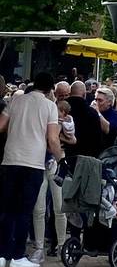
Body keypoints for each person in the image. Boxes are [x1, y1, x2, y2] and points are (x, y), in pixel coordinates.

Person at [0, 72, 63, 267]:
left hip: (10, 160)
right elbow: (52, 139)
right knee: (24, 211)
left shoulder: (16, 101)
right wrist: (61, 159)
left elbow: (1, 125)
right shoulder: (50, 106)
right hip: (33, 163)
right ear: (50, 89)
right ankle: (18, 256)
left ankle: (2, 254)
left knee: (6, 210)